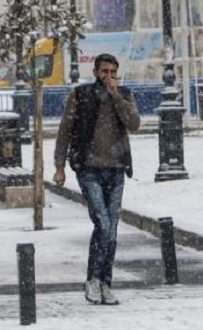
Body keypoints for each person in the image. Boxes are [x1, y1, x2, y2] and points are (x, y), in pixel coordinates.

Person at [53, 53, 140, 306]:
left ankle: (105, 282)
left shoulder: (124, 95)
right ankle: (93, 279)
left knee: (111, 229)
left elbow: (134, 123)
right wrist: (60, 166)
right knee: (102, 223)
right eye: (104, 72)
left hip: (116, 168)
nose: (109, 77)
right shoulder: (81, 95)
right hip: (89, 167)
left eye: (113, 72)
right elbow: (65, 131)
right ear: (95, 72)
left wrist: (116, 97)